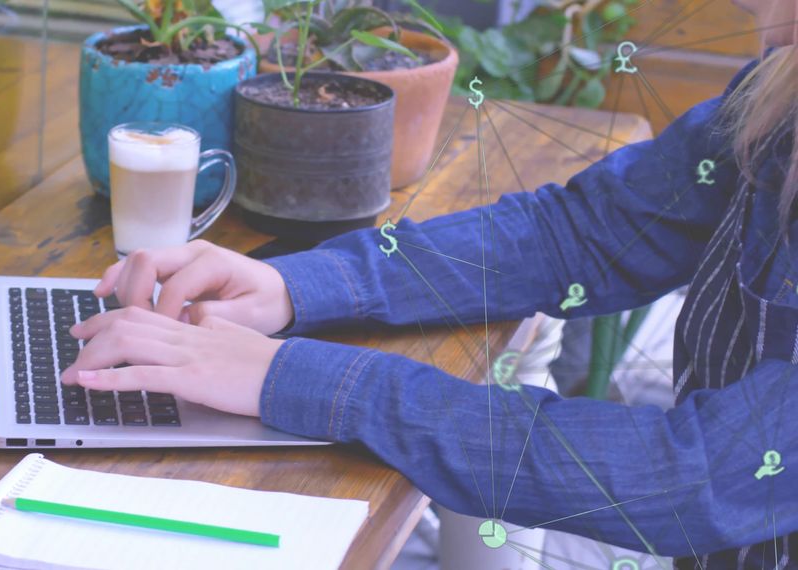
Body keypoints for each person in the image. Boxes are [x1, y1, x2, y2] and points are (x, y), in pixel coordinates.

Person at [62, 0, 798, 567]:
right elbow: (584, 232)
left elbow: (688, 479)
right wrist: (294, 287)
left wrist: (306, 378)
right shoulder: (779, 86)